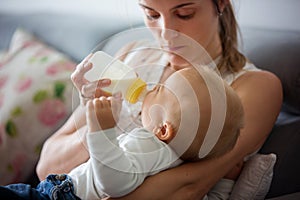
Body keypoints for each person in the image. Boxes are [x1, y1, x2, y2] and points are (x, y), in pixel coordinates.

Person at [36, 0, 283, 199]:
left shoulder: (254, 86)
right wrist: (96, 117)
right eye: (152, 14)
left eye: (184, 13)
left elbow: (189, 187)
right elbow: (47, 168)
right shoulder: (134, 56)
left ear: (220, 3)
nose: (166, 33)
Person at [0, 67, 244, 200]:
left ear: (163, 129)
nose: (149, 89)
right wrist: (227, 181)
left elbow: (114, 183)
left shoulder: (147, 142)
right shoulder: (176, 162)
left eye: (159, 89)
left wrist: (102, 130)